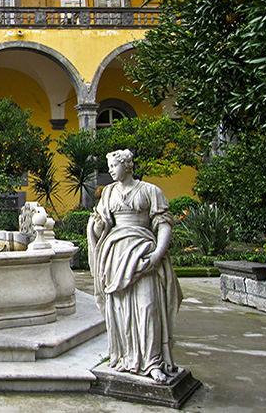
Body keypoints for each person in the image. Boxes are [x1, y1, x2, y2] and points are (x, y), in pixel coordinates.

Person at [87, 149, 182, 383]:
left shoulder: (150, 190)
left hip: (144, 253)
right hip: (116, 255)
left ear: (127, 166)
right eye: (108, 166)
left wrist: (158, 253)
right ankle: (124, 357)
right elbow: (101, 227)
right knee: (120, 310)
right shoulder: (108, 193)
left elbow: (163, 224)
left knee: (148, 308)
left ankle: (152, 361)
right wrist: (95, 227)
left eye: (113, 165)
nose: (110, 169)